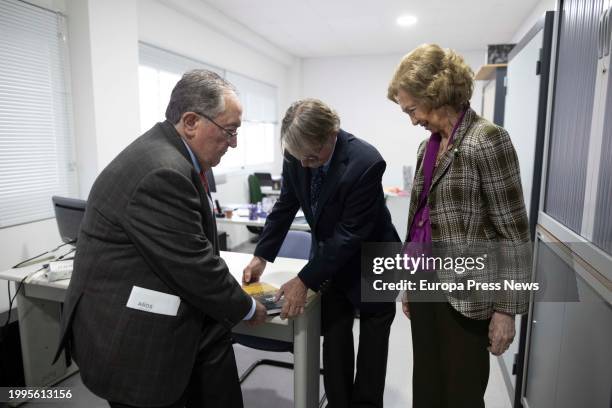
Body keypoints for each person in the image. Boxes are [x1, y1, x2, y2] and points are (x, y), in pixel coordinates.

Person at [55, 70, 267, 408]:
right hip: (134, 341)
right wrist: (246, 307)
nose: (234, 142)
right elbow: (194, 265)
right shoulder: (163, 170)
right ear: (191, 121)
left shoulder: (166, 154)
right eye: (229, 130)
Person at [387, 44, 531, 408]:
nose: (412, 119)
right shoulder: (427, 147)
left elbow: (513, 233)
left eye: (412, 109)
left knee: (461, 394)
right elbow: (419, 222)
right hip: (425, 285)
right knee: (427, 388)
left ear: (434, 94)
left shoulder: (487, 140)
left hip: (468, 295)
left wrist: (506, 309)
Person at [242, 98, 399, 408]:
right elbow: (286, 204)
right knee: (336, 333)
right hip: (331, 259)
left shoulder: (365, 162)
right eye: (298, 157)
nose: (304, 164)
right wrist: (262, 255)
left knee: (372, 342)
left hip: (373, 257)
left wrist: (304, 279)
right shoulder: (297, 154)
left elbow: (350, 234)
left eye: (312, 157)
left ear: (332, 134)